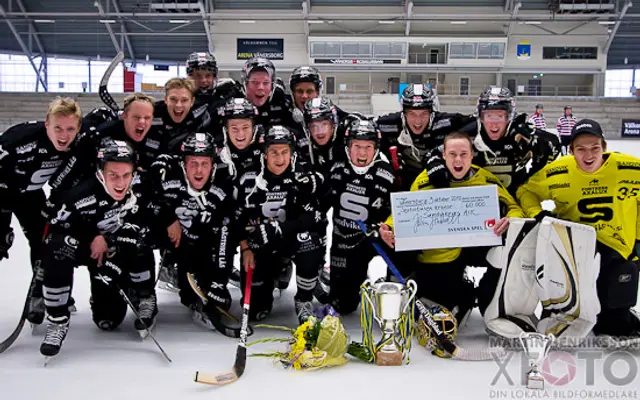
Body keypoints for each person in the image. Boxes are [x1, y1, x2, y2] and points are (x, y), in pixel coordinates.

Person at [379, 131, 525, 327]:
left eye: (464, 154)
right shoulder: (425, 180)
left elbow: (515, 208)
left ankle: (487, 295)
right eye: (453, 154)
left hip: (472, 248)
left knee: (505, 251)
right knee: (438, 301)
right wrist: (388, 226)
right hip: (437, 254)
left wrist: (510, 219)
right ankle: (418, 282)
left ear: (472, 155)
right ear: (443, 156)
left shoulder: (485, 178)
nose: (458, 160)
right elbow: (405, 211)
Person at [516, 119, 640, 344]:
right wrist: (538, 214)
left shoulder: (630, 168)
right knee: (564, 310)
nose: (589, 155)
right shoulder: (558, 172)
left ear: (604, 147)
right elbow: (526, 191)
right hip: (574, 247)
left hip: (618, 246)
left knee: (615, 322)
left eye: (595, 148)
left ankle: (618, 316)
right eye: (581, 149)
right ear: (571, 150)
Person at [40, 138, 157, 358]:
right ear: (101, 172)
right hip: (86, 249)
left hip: (116, 250)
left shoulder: (141, 189)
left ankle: (145, 296)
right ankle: (57, 320)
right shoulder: (79, 195)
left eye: (126, 175)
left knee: (109, 320)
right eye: (113, 175)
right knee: (58, 248)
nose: (120, 182)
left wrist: (113, 243)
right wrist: (92, 236)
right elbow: (55, 229)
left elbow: (146, 223)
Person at [0, 97, 84, 324]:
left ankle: (41, 294)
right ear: (47, 124)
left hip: (31, 195)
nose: (64, 135)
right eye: (58, 128)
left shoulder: (78, 143)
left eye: (70, 129)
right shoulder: (20, 138)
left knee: (43, 242)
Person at [234, 125, 324, 323]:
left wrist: (280, 229)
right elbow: (236, 217)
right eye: (274, 152)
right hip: (260, 246)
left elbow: (312, 217)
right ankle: (274, 273)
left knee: (309, 241)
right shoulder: (248, 179)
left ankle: (304, 299)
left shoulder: (302, 177)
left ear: (292, 153)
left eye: (285, 152)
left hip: (290, 241)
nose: (279, 158)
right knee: (257, 311)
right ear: (265, 153)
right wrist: (246, 248)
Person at [151, 132, 235, 330]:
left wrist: (219, 283)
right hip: (176, 246)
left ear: (213, 166)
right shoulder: (170, 185)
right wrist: (168, 219)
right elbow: (146, 199)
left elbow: (226, 241)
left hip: (203, 248)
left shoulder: (221, 193)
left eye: (204, 164)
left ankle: (202, 283)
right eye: (193, 163)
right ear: (183, 165)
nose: (199, 170)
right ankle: (146, 287)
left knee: (218, 298)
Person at [425, 86, 560, 195]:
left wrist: (538, 143)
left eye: (500, 116)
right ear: (481, 117)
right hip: (473, 201)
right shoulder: (468, 133)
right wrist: (435, 167)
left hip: (513, 200)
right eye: (489, 116)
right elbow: (435, 153)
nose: (494, 124)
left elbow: (554, 146)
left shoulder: (521, 133)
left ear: (509, 117)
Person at [325, 118, 396, 315]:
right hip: (346, 243)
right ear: (348, 146)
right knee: (344, 305)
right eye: (357, 146)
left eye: (368, 147)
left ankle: (392, 281)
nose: (362, 153)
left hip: (377, 238)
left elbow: (400, 209)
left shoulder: (386, 173)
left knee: (402, 259)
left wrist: (389, 227)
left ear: (376, 148)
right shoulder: (336, 167)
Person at [376, 83, 475, 190]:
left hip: (436, 184)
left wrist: (437, 153)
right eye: (412, 114)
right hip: (401, 185)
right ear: (404, 113)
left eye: (424, 114)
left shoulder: (445, 122)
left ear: (432, 113)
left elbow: (476, 122)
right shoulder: (389, 123)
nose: (418, 121)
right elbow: (362, 125)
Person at [152, 77, 212, 154]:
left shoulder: (200, 115)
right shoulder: (152, 113)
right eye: (173, 99)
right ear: (166, 99)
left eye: (184, 100)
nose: (178, 105)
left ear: (192, 102)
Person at [240, 57, 294, 130]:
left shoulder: (283, 106)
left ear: (272, 86)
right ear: (245, 84)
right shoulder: (233, 102)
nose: (260, 87)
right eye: (255, 82)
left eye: (266, 83)